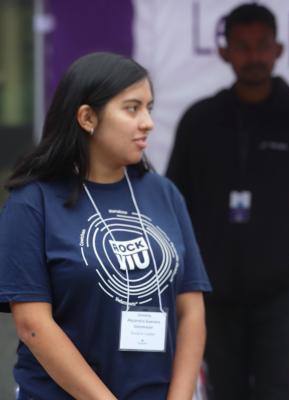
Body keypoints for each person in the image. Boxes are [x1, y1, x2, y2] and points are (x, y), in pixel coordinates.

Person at [0, 52, 211, 399]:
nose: (148, 122)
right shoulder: (32, 202)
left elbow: (191, 309)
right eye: (132, 108)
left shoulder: (164, 193)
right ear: (87, 117)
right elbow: (33, 325)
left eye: (149, 108)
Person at [166, 3, 289, 399]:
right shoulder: (200, 120)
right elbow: (174, 198)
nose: (253, 56)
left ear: (277, 49)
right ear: (225, 51)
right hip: (214, 291)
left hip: (281, 292)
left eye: (262, 46)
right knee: (224, 391)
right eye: (242, 46)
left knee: (277, 390)